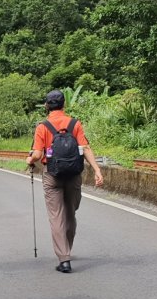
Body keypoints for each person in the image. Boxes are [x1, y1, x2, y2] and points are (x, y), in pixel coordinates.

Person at [26, 90, 104, 273]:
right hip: (74, 175)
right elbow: (85, 148)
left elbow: (37, 154)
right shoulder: (74, 123)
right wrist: (97, 170)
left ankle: (64, 259)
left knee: (56, 216)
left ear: (46, 106)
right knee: (70, 213)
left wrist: (30, 160)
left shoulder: (42, 127)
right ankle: (67, 248)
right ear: (64, 105)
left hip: (52, 175)